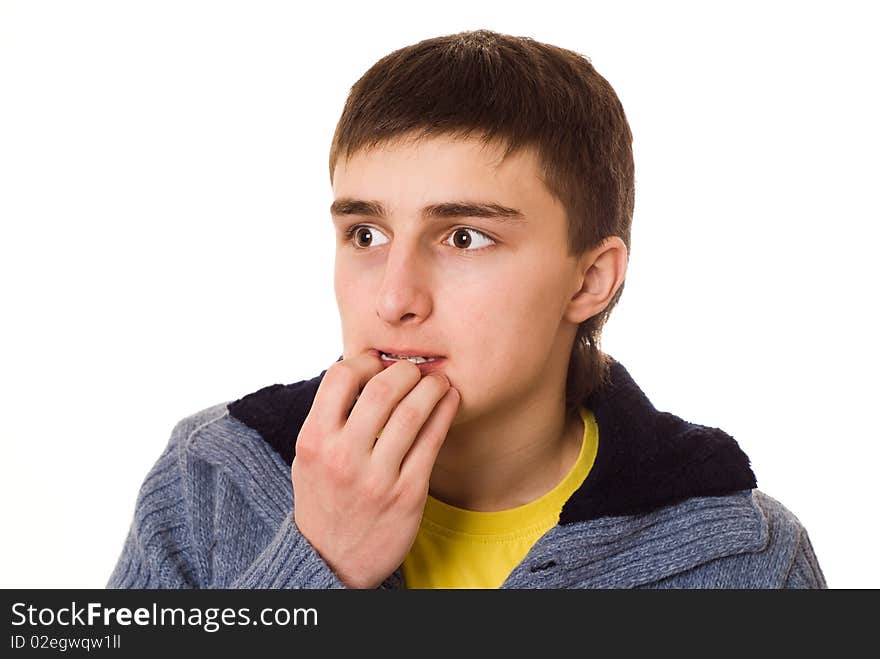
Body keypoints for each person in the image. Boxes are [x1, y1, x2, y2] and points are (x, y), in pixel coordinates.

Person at [107, 29, 826, 589]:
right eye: (367, 234)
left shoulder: (751, 558)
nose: (393, 298)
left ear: (590, 279)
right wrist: (319, 562)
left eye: (464, 237)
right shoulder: (209, 476)